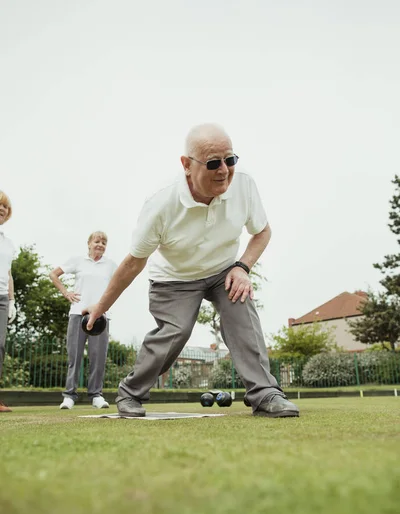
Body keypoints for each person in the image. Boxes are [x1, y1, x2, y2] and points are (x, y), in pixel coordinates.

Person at [84, 124, 300, 418]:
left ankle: (265, 394)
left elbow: (262, 232)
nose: (223, 170)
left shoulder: (244, 186)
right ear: (186, 165)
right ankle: (130, 393)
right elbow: (134, 262)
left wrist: (242, 267)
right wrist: (101, 307)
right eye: (213, 163)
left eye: (230, 160)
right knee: (176, 330)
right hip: (174, 278)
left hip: (224, 269)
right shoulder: (161, 204)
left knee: (241, 310)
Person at [50, 231, 117, 409]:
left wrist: (107, 304)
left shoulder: (110, 265)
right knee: (75, 356)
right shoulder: (78, 261)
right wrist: (66, 293)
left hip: (101, 317)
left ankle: (96, 395)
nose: (100, 245)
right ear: (89, 243)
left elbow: (118, 286)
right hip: (78, 314)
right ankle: (70, 395)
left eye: (104, 242)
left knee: (98, 357)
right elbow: (53, 275)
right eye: (97, 241)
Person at [0, 191, 17, 413]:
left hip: (2, 298)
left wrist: (12, 301)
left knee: (0, 346)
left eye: (5, 206)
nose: (2, 209)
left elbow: (9, 273)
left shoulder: (8, 243)